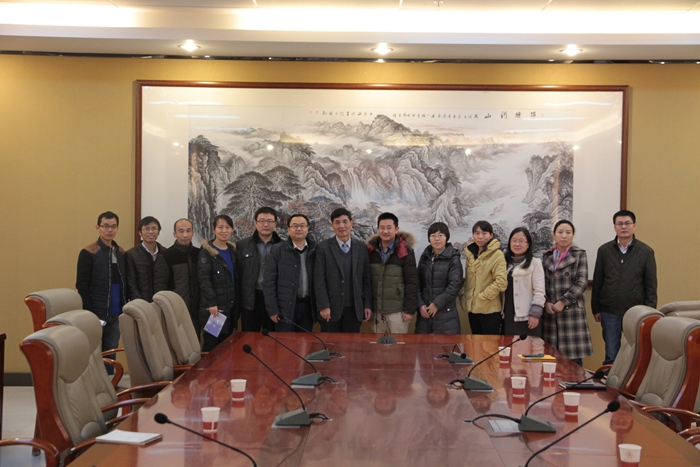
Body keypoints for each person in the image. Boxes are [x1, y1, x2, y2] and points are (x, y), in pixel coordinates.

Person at [592, 210, 657, 365]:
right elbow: (598, 281)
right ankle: (610, 380)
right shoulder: (604, 251)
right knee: (611, 355)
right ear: (614, 227)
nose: (624, 227)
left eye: (627, 223)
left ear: (634, 226)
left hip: (635, 312)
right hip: (609, 311)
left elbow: (651, 285)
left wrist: (649, 313)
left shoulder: (646, 252)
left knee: (636, 354)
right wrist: (596, 308)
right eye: (620, 224)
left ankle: (632, 382)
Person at [76, 211, 126, 373]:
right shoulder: (88, 252)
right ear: (98, 227)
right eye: (105, 226)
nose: (109, 230)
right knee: (93, 353)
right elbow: (82, 285)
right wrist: (89, 312)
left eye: (113, 226)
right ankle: (93, 386)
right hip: (96, 312)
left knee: (111, 352)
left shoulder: (121, 252)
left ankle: (110, 384)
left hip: (116, 312)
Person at [542, 220, 592, 366]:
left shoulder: (579, 254)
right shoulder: (547, 255)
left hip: (572, 312)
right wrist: (546, 302)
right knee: (551, 359)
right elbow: (540, 282)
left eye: (568, 232)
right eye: (560, 232)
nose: (564, 236)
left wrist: (563, 301)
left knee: (573, 361)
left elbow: (581, 282)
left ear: (573, 235)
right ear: (554, 235)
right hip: (550, 313)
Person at [314, 207, 372, 332]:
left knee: (351, 343)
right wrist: (323, 305)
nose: (342, 226)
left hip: (355, 309)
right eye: (337, 222)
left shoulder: (361, 248)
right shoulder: (323, 248)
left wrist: (367, 304)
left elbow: (366, 279)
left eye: (345, 222)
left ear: (351, 223)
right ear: (332, 225)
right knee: (330, 343)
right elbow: (319, 280)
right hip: (330, 309)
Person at [366, 212, 419, 334]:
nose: (385, 231)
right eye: (382, 228)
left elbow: (412, 281)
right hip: (376, 310)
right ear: (378, 229)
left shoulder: (405, 251)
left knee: (397, 344)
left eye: (389, 227)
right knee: (378, 344)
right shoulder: (370, 251)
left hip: (398, 312)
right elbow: (366, 281)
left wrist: (409, 310)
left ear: (396, 229)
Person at [263, 214, 316, 332]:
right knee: (285, 341)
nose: (299, 229)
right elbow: (268, 282)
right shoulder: (278, 250)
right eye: (295, 226)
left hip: (308, 307)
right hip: (284, 308)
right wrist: (273, 310)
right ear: (288, 229)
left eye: (302, 226)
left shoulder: (315, 250)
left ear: (307, 228)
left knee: (305, 341)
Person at [236, 207, 282, 332]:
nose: (266, 224)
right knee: (250, 337)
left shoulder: (282, 246)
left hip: (274, 300)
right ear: (256, 223)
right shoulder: (243, 245)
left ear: (275, 224)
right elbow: (238, 275)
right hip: (251, 300)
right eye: (262, 221)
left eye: (270, 221)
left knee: (272, 338)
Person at [459, 220, 508, 335]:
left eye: (484, 233)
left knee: (489, 345)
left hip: (489, 311)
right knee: (475, 344)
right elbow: (468, 280)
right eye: (477, 233)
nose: (480, 237)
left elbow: (501, 282)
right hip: (472, 310)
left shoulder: (497, 255)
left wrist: (482, 297)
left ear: (491, 235)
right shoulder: (470, 254)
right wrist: (463, 295)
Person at [415, 222, 463, 334]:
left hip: (446, 314)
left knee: (445, 344)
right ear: (429, 238)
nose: (437, 239)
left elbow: (455, 285)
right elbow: (417, 283)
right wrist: (420, 304)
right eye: (433, 236)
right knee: (423, 344)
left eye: (440, 235)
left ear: (447, 238)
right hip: (424, 314)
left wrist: (436, 304)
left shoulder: (453, 258)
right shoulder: (425, 257)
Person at [198, 214, 238, 351]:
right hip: (215, 310)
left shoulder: (233, 251)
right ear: (213, 229)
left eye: (227, 227)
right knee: (211, 345)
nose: (224, 231)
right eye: (220, 227)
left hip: (230, 307)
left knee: (225, 345)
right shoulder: (206, 252)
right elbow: (204, 279)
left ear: (232, 229)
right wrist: (212, 303)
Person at [502, 227, 545, 337]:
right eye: (514, 240)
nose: (517, 244)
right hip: (508, 315)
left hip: (527, 317)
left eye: (521, 241)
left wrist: (535, 314)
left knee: (528, 347)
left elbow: (539, 291)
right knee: (508, 346)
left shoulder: (535, 263)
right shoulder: (504, 262)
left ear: (528, 244)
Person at [161, 218, 201, 336]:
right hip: (175, 310)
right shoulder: (166, 255)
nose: (185, 235)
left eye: (188, 231)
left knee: (195, 342)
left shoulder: (199, 254)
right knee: (177, 343)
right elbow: (161, 286)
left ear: (193, 233)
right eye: (181, 231)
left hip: (197, 310)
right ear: (175, 234)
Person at [125, 216, 169, 302]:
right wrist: (140, 303)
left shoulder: (166, 253)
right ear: (140, 232)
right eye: (147, 229)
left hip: (162, 302)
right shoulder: (131, 254)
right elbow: (131, 283)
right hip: (140, 303)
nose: (151, 232)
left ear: (158, 232)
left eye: (154, 228)